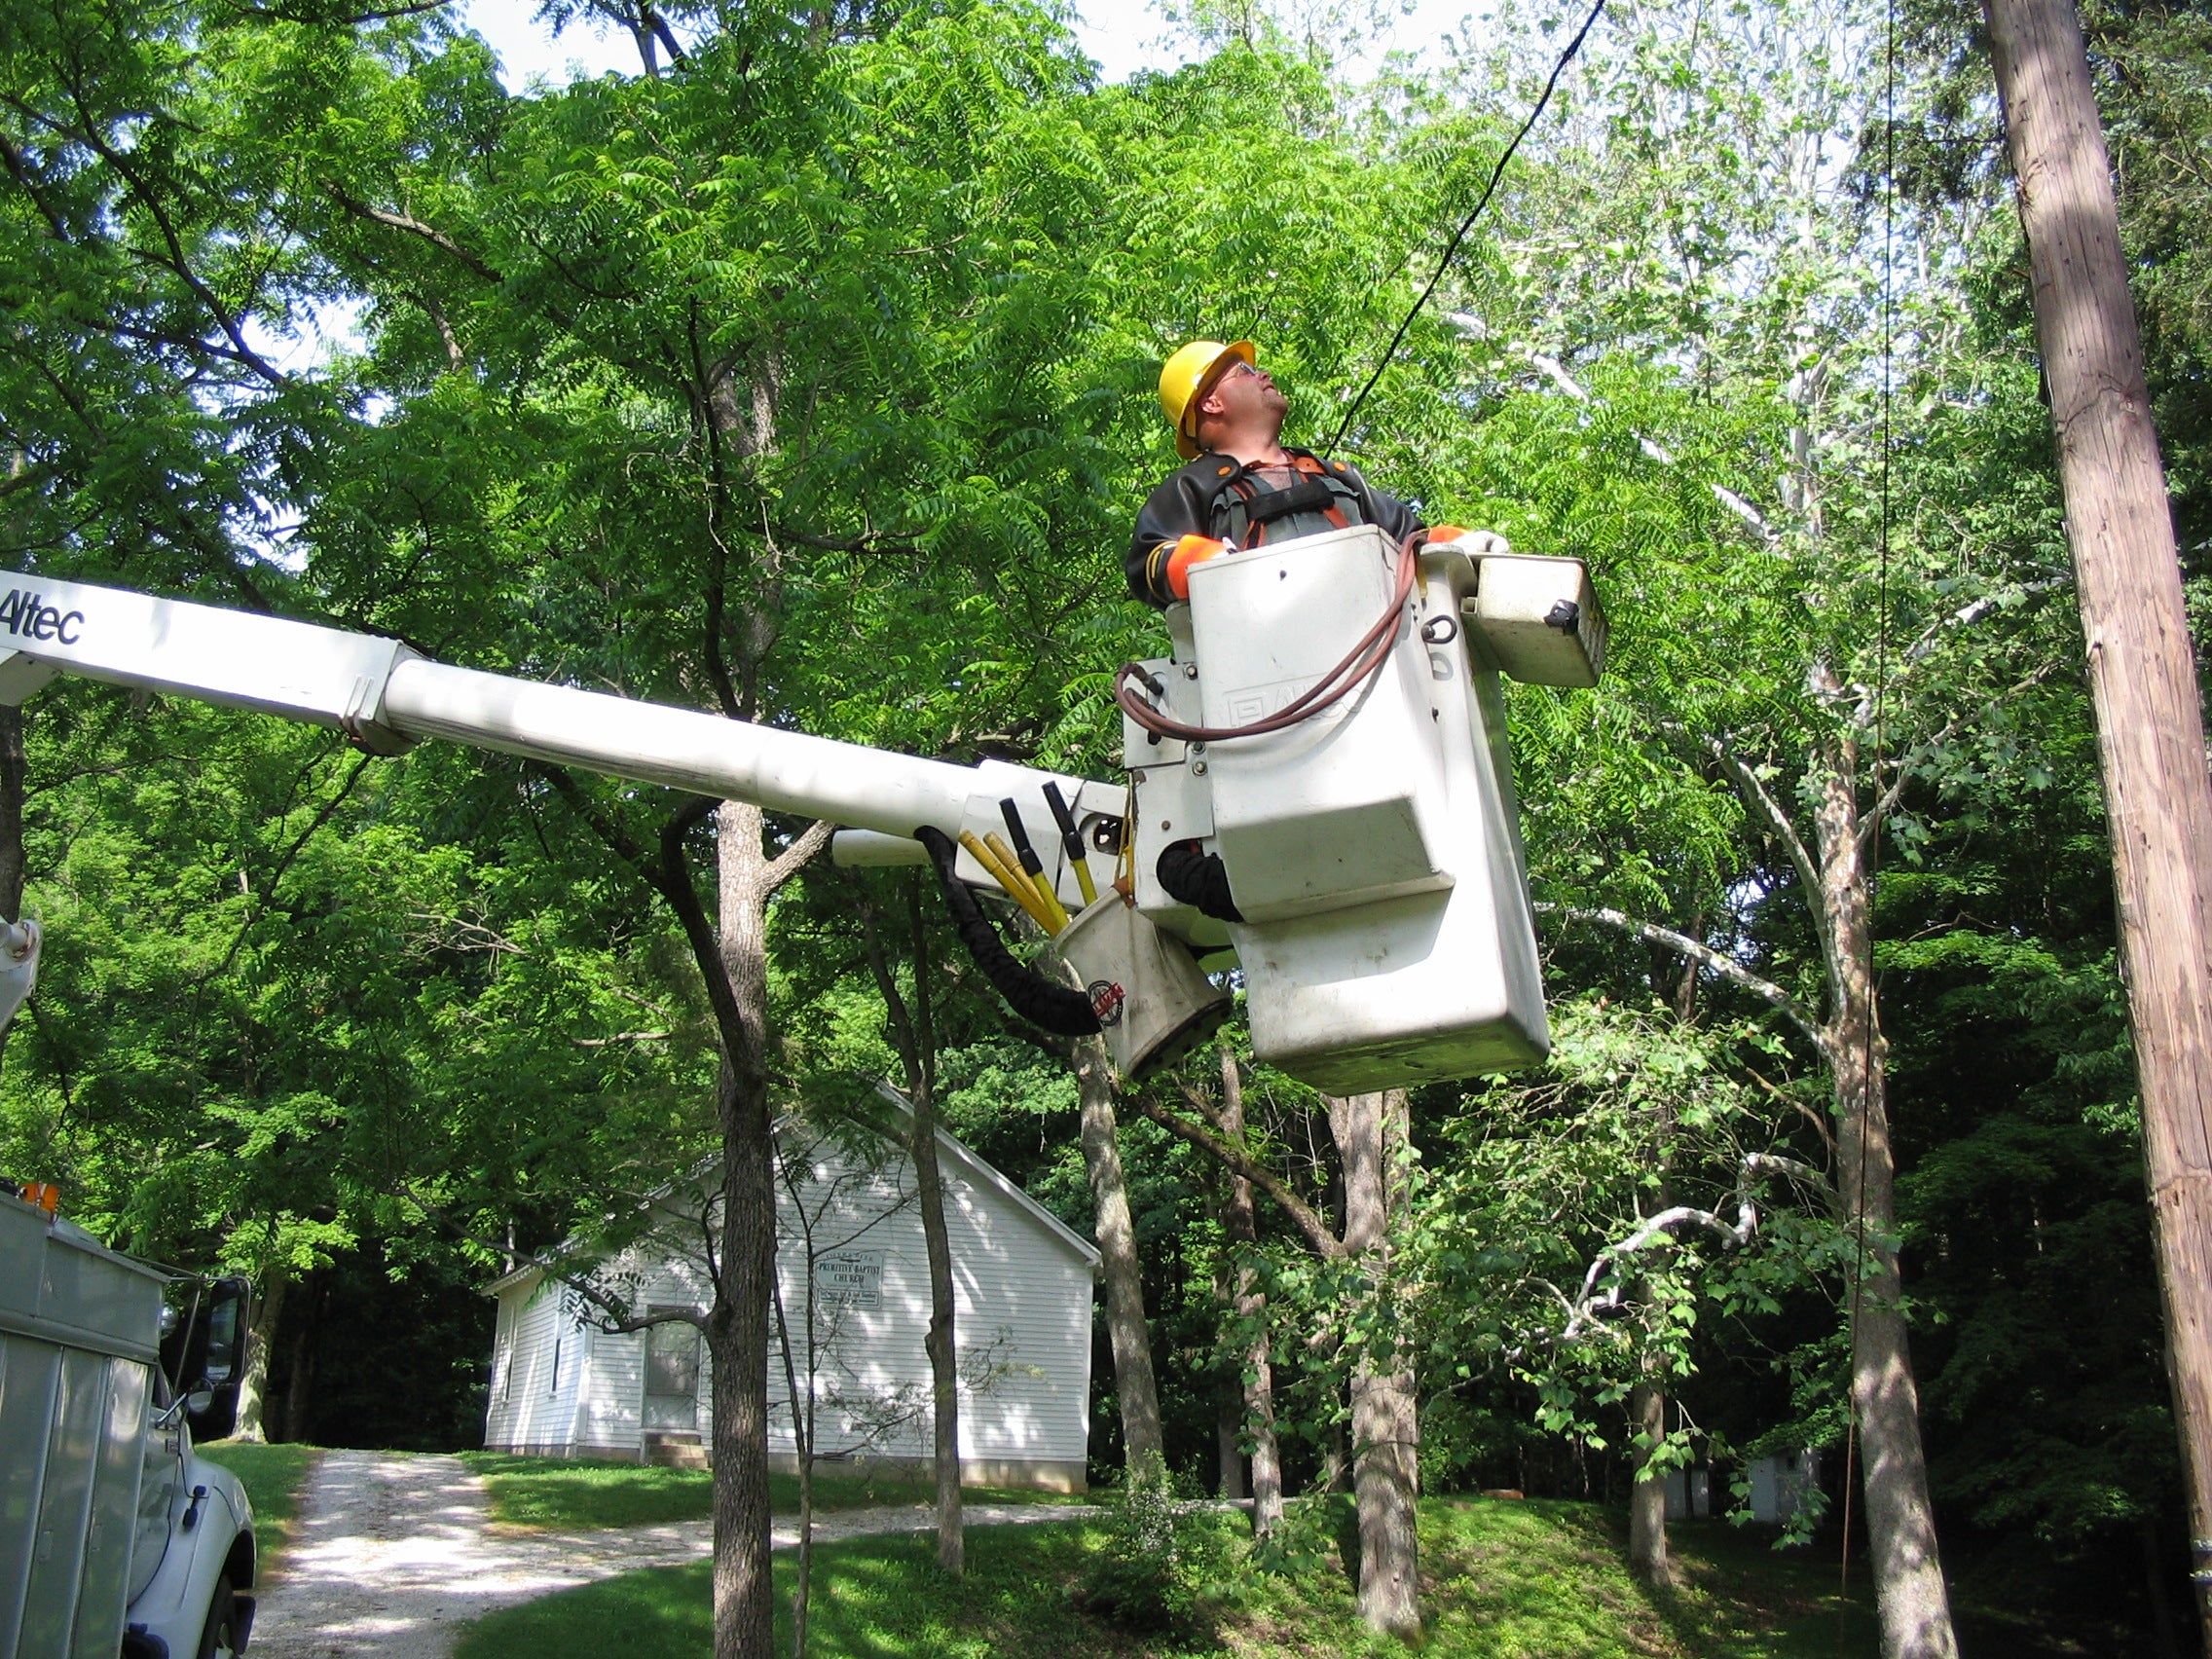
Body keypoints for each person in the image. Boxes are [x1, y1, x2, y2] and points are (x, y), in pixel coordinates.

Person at [1126, 339, 1423, 608]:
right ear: (1211, 403)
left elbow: (1415, 540)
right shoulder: (1192, 487)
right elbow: (1150, 562)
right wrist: (1204, 563)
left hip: (1375, 639)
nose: (1263, 375)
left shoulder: (1335, 475)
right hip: (1264, 655)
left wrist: (1455, 544)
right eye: (1244, 371)